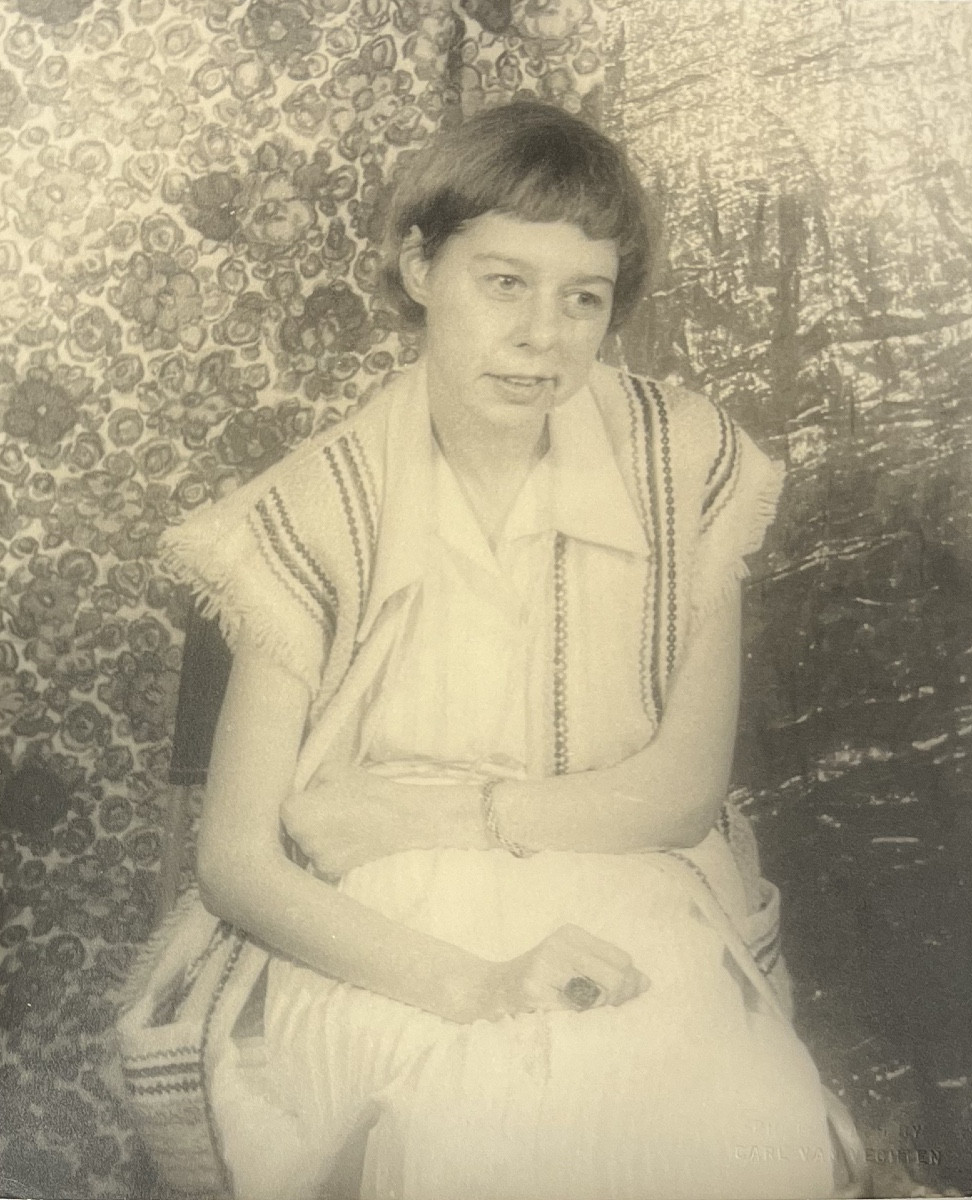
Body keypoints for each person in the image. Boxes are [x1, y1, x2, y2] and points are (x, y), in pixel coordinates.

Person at [161, 101, 864, 1200]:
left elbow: (679, 794)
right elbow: (241, 861)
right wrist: (478, 985)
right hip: (384, 924)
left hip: (636, 881)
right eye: (503, 282)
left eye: (583, 297)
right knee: (476, 1140)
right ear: (417, 267)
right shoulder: (310, 511)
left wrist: (424, 811)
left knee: (750, 1134)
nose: (545, 336)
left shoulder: (685, 463)